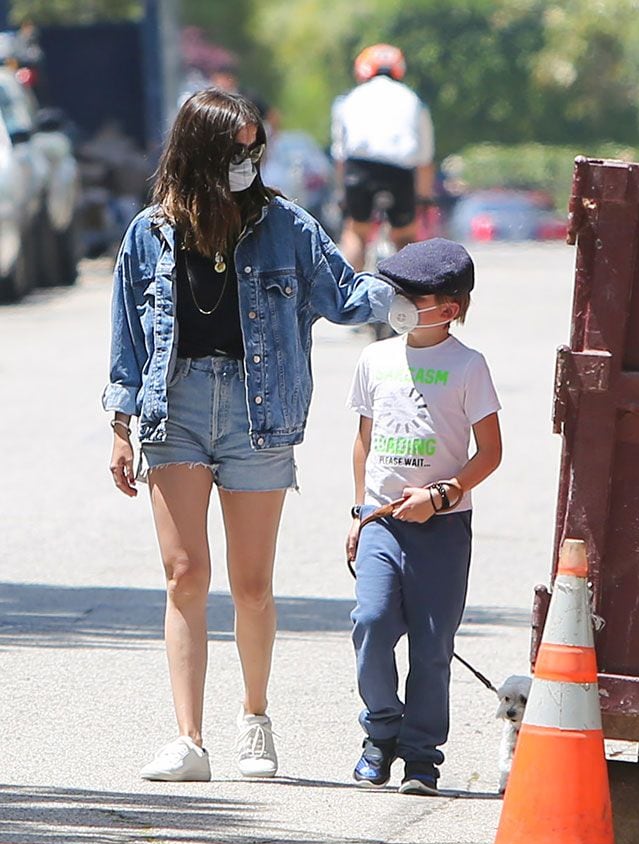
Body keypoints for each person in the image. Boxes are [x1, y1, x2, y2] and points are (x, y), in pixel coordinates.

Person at [102, 88, 392, 782]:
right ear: (201, 150)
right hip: (173, 408)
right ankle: (189, 740)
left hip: (258, 413)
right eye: (238, 147)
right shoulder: (149, 233)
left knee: (252, 583)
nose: (251, 159)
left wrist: (417, 290)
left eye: (256, 146)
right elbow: (126, 340)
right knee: (184, 576)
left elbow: (346, 295)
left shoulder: (285, 225)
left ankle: (254, 721)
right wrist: (120, 427)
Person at [345, 238, 502, 794]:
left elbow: (490, 452)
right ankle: (380, 731)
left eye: (414, 295)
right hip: (382, 522)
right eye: (397, 293)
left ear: (450, 308)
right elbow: (364, 442)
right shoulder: (375, 358)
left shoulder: (468, 367)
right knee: (371, 622)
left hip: (442, 528)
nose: (400, 303)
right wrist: (360, 513)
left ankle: (420, 755)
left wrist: (441, 495)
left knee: (433, 645)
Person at [331, 44, 435, 272]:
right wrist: (425, 198)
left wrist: (341, 195)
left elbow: (340, 155)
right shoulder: (413, 99)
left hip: (360, 169)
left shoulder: (348, 99)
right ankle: (412, 293)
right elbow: (425, 158)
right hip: (400, 171)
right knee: (405, 236)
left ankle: (348, 294)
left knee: (357, 232)